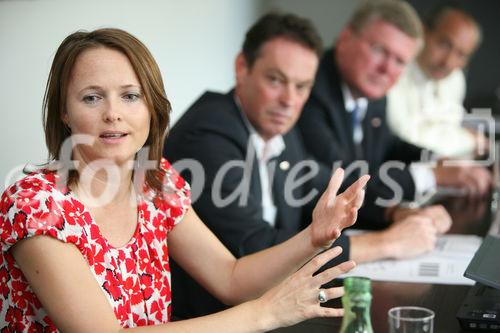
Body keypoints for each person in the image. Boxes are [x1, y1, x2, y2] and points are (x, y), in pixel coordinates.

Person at [0, 28, 370, 332]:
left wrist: (313, 237)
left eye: (130, 96)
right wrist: (265, 313)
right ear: (65, 111)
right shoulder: (35, 203)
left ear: (152, 107)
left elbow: (231, 278)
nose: (113, 114)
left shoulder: (154, 182)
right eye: (92, 98)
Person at [164, 12, 448, 319]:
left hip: (268, 308)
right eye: (276, 80)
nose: (289, 100)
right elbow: (253, 247)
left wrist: (397, 213)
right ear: (242, 68)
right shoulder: (207, 136)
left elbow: (319, 188)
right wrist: (386, 243)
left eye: (302, 87)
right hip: (213, 318)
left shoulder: (276, 128)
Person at [297, 0, 491, 224]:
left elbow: (390, 146)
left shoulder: (372, 93)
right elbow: (345, 179)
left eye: (399, 61)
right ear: (345, 38)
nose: (387, 70)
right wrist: (433, 175)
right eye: (379, 50)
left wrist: (440, 160)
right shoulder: (308, 88)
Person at [388, 5, 484, 158]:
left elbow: (449, 127)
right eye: (445, 45)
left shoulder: (455, 78)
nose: (448, 62)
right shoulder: (393, 68)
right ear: (424, 32)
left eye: (461, 55)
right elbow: (406, 137)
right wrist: (469, 140)